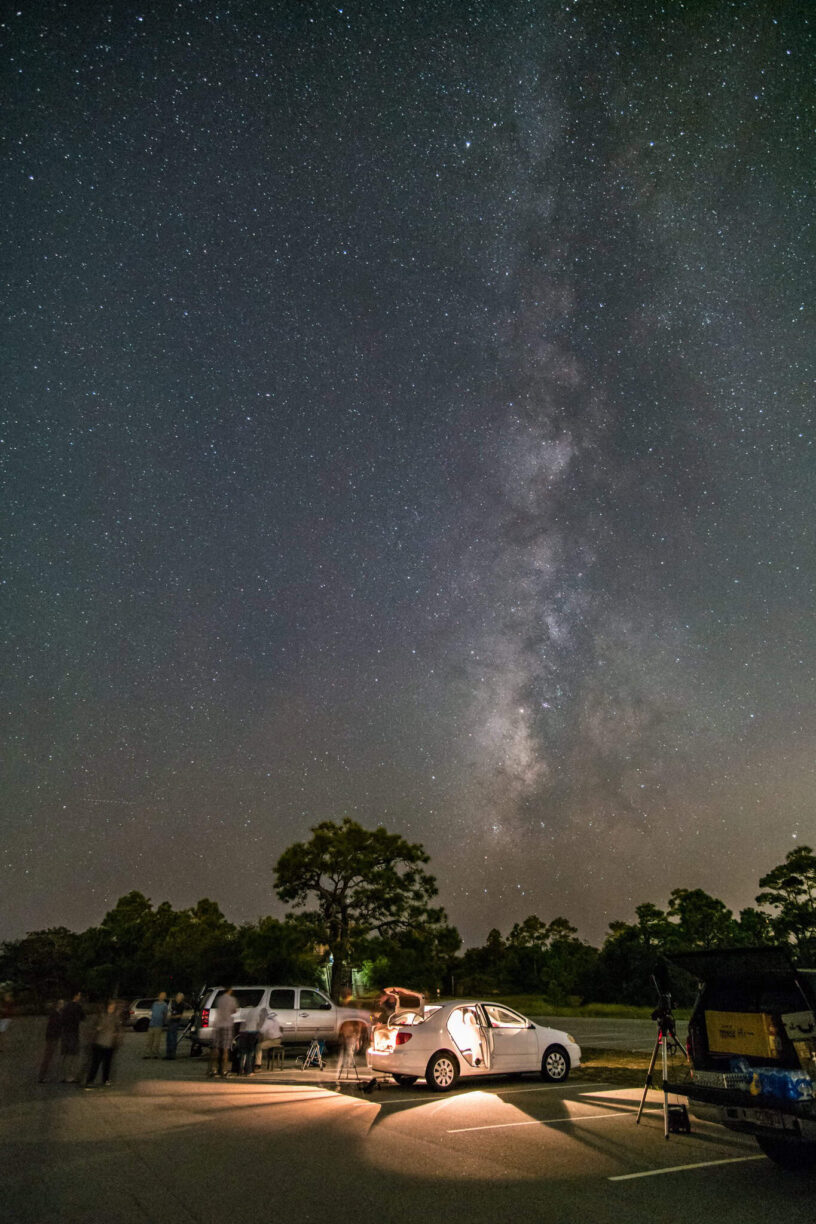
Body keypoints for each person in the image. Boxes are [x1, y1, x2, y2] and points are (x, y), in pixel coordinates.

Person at [84, 1000, 122, 1088]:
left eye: (113, 1008)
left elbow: (118, 1028)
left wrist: (116, 1035)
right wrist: (98, 1028)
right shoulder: (100, 1017)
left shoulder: (115, 1018)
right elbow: (92, 1027)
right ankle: (90, 1080)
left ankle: (105, 1079)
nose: (111, 1009)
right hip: (99, 1043)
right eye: (110, 1007)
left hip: (109, 1043)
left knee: (107, 1064)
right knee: (95, 1063)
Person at [208, 987, 238, 1078]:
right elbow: (234, 1010)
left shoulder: (219, 999)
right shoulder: (232, 999)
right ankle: (224, 1071)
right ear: (230, 990)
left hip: (218, 1025)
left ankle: (214, 1070)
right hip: (227, 1025)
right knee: (225, 1049)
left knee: (216, 1048)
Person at [60, 991, 85, 1083]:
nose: (80, 997)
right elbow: (83, 1017)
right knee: (73, 1054)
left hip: (66, 1032)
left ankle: (65, 1075)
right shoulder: (77, 1007)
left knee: (66, 1055)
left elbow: (62, 1020)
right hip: (73, 1032)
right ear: (76, 996)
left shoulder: (66, 1007)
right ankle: (71, 1076)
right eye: (79, 995)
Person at [38, 999, 64, 1083]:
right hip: (52, 1037)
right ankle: (43, 1076)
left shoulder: (57, 1014)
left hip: (53, 1037)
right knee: (48, 1057)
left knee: (49, 1057)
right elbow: (53, 1027)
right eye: (61, 1003)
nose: (63, 1005)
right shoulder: (55, 1014)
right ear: (58, 1005)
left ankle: (45, 1075)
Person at [235, 1001, 262, 1076]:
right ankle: (248, 1071)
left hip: (243, 1032)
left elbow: (240, 1020)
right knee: (250, 1052)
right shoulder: (256, 1010)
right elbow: (258, 1022)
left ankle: (240, 1071)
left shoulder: (243, 1010)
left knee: (242, 1052)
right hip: (252, 1032)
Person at [143, 992, 168, 1058]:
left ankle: (155, 1053)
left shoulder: (165, 1005)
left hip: (158, 1024)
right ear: (159, 996)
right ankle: (147, 1053)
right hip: (152, 1024)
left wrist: (163, 1022)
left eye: (163, 996)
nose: (162, 997)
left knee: (157, 1040)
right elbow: (152, 1012)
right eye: (161, 995)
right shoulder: (154, 1004)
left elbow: (165, 1014)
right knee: (149, 1040)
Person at [164, 992, 186, 1059]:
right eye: (177, 996)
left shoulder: (181, 1005)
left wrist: (172, 1017)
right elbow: (171, 1011)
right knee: (168, 1039)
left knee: (172, 1039)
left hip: (175, 1023)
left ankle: (172, 1055)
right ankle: (168, 1054)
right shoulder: (174, 1003)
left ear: (181, 998)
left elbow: (180, 1015)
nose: (177, 997)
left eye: (179, 996)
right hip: (171, 1022)